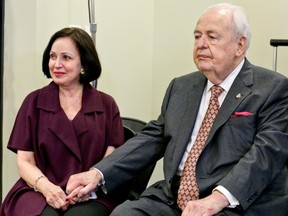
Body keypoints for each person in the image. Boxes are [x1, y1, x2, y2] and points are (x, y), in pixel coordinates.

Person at [66, 3, 288, 216]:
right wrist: (98, 173)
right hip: (174, 198)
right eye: (197, 36)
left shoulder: (272, 88)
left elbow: (265, 155)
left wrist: (217, 199)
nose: (201, 44)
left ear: (240, 45)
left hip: (233, 203)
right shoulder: (181, 87)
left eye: (211, 37)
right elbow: (153, 138)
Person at [0, 27, 126, 216]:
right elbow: (24, 161)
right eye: (52, 56)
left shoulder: (106, 105)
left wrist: (87, 185)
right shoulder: (33, 102)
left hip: (90, 193)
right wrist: (46, 188)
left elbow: (111, 158)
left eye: (66, 58)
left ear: (83, 63)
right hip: (38, 189)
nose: (56, 64)